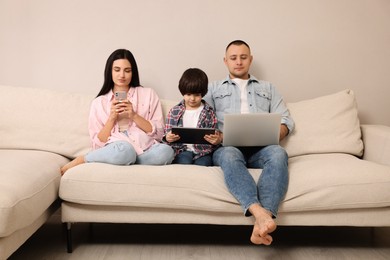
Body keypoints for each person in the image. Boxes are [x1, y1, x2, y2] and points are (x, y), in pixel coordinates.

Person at [203, 40, 294, 245]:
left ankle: (261, 221)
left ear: (250, 59)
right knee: (228, 154)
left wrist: (274, 133)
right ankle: (261, 215)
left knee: (279, 154)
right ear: (225, 61)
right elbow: (201, 118)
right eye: (233, 58)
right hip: (228, 147)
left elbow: (286, 120)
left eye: (243, 57)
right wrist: (217, 136)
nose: (238, 62)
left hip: (262, 148)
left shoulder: (268, 88)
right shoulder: (212, 89)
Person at [60, 49, 174, 174]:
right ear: (110, 71)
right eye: (117, 69)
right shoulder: (99, 102)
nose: (122, 75)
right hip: (118, 147)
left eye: (127, 70)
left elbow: (160, 133)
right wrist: (111, 118)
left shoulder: (148, 94)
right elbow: (98, 144)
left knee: (166, 152)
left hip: (146, 149)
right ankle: (85, 159)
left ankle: (129, 160)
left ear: (133, 72)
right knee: (125, 150)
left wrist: (134, 115)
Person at [164, 68, 218, 166]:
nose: (192, 99)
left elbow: (215, 133)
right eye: (188, 94)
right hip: (182, 150)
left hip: (203, 152)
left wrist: (214, 139)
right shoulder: (174, 111)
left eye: (197, 95)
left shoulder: (209, 112)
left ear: (203, 93)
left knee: (203, 164)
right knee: (184, 162)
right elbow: (167, 134)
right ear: (182, 92)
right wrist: (168, 137)